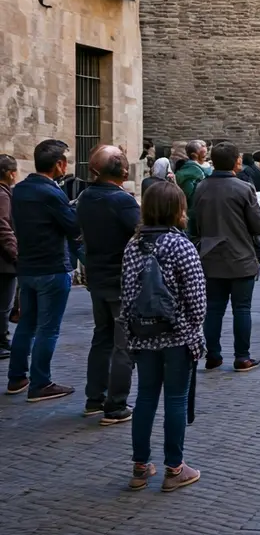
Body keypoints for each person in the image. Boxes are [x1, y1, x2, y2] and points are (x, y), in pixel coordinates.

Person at [120, 181, 205, 492]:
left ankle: (140, 466)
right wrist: (192, 328)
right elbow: (196, 297)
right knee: (176, 399)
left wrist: (131, 331)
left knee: (145, 398)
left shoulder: (133, 245)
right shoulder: (180, 245)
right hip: (177, 335)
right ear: (177, 210)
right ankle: (175, 468)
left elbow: (127, 293)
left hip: (143, 335)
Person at [6, 139, 79, 402]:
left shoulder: (21, 190)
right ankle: (40, 382)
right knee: (48, 328)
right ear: (59, 164)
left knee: (27, 323)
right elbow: (72, 226)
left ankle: (17, 377)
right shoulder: (51, 193)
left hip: (28, 266)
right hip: (51, 266)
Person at [76, 146, 140, 424]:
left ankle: (95, 398)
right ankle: (115, 405)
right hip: (121, 280)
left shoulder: (86, 197)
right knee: (124, 344)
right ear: (124, 172)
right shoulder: (122, 201)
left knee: (101, 338)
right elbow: (142, 234)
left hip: (98, 278)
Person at [192, 142, 260, 373]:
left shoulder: (201, 187)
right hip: (240, 257)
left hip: (211, 257)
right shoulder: (244, 188)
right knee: (241, 309)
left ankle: (213, 355)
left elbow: (195, 226)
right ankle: (242, 356)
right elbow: (258, 226)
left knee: (214, 309)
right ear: (236, 162)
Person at [0, 154, 16, 361]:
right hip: (3, 261)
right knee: (4, 303)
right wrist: (15, 252)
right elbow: (3, 226)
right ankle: (2, 340)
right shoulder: (3, 196)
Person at [175, 140, 208, 223]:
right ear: (194, 154)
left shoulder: (206, 168)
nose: (206, 155)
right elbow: (188, 193)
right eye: (203, 153)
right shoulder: (190, 171)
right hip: (195, 211)